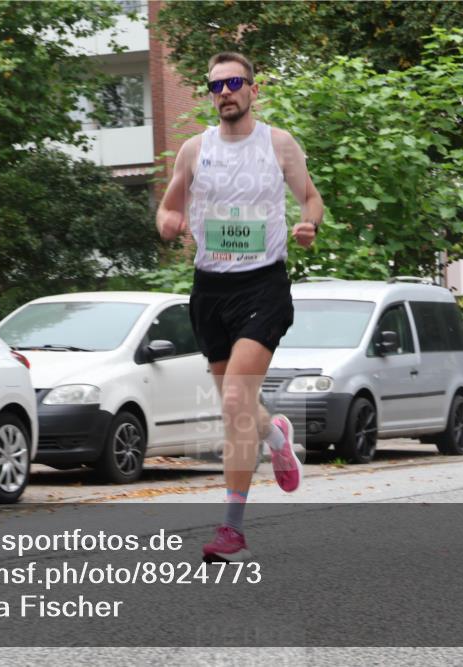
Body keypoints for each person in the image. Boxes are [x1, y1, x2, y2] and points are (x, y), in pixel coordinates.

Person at [155, 52, 325, 561]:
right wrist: (167, 222)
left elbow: (311, 199)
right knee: (243, 408)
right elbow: (169, 206)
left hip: (262, 287)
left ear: (253, 89)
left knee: (234, 401)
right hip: (210, 290)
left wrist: (309, 226)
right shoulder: (193, 150)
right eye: (215, 86)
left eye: (234, 83)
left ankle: (232, 529)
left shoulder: (278, 144)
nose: (225, 92)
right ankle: (276, 437)